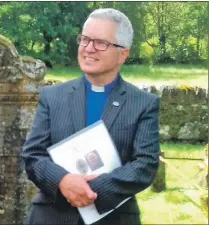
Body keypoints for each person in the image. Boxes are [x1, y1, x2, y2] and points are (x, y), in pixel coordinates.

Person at [21, 8, 160, 225]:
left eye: (100, 42)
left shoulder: (143, 103)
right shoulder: (52, 96)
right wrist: (63, 181)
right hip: (51, 215)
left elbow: (145, 164)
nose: (88, 49)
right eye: (84, 39)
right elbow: (33, 154)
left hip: (114, 217)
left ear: (122, 54)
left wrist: (89, 191)